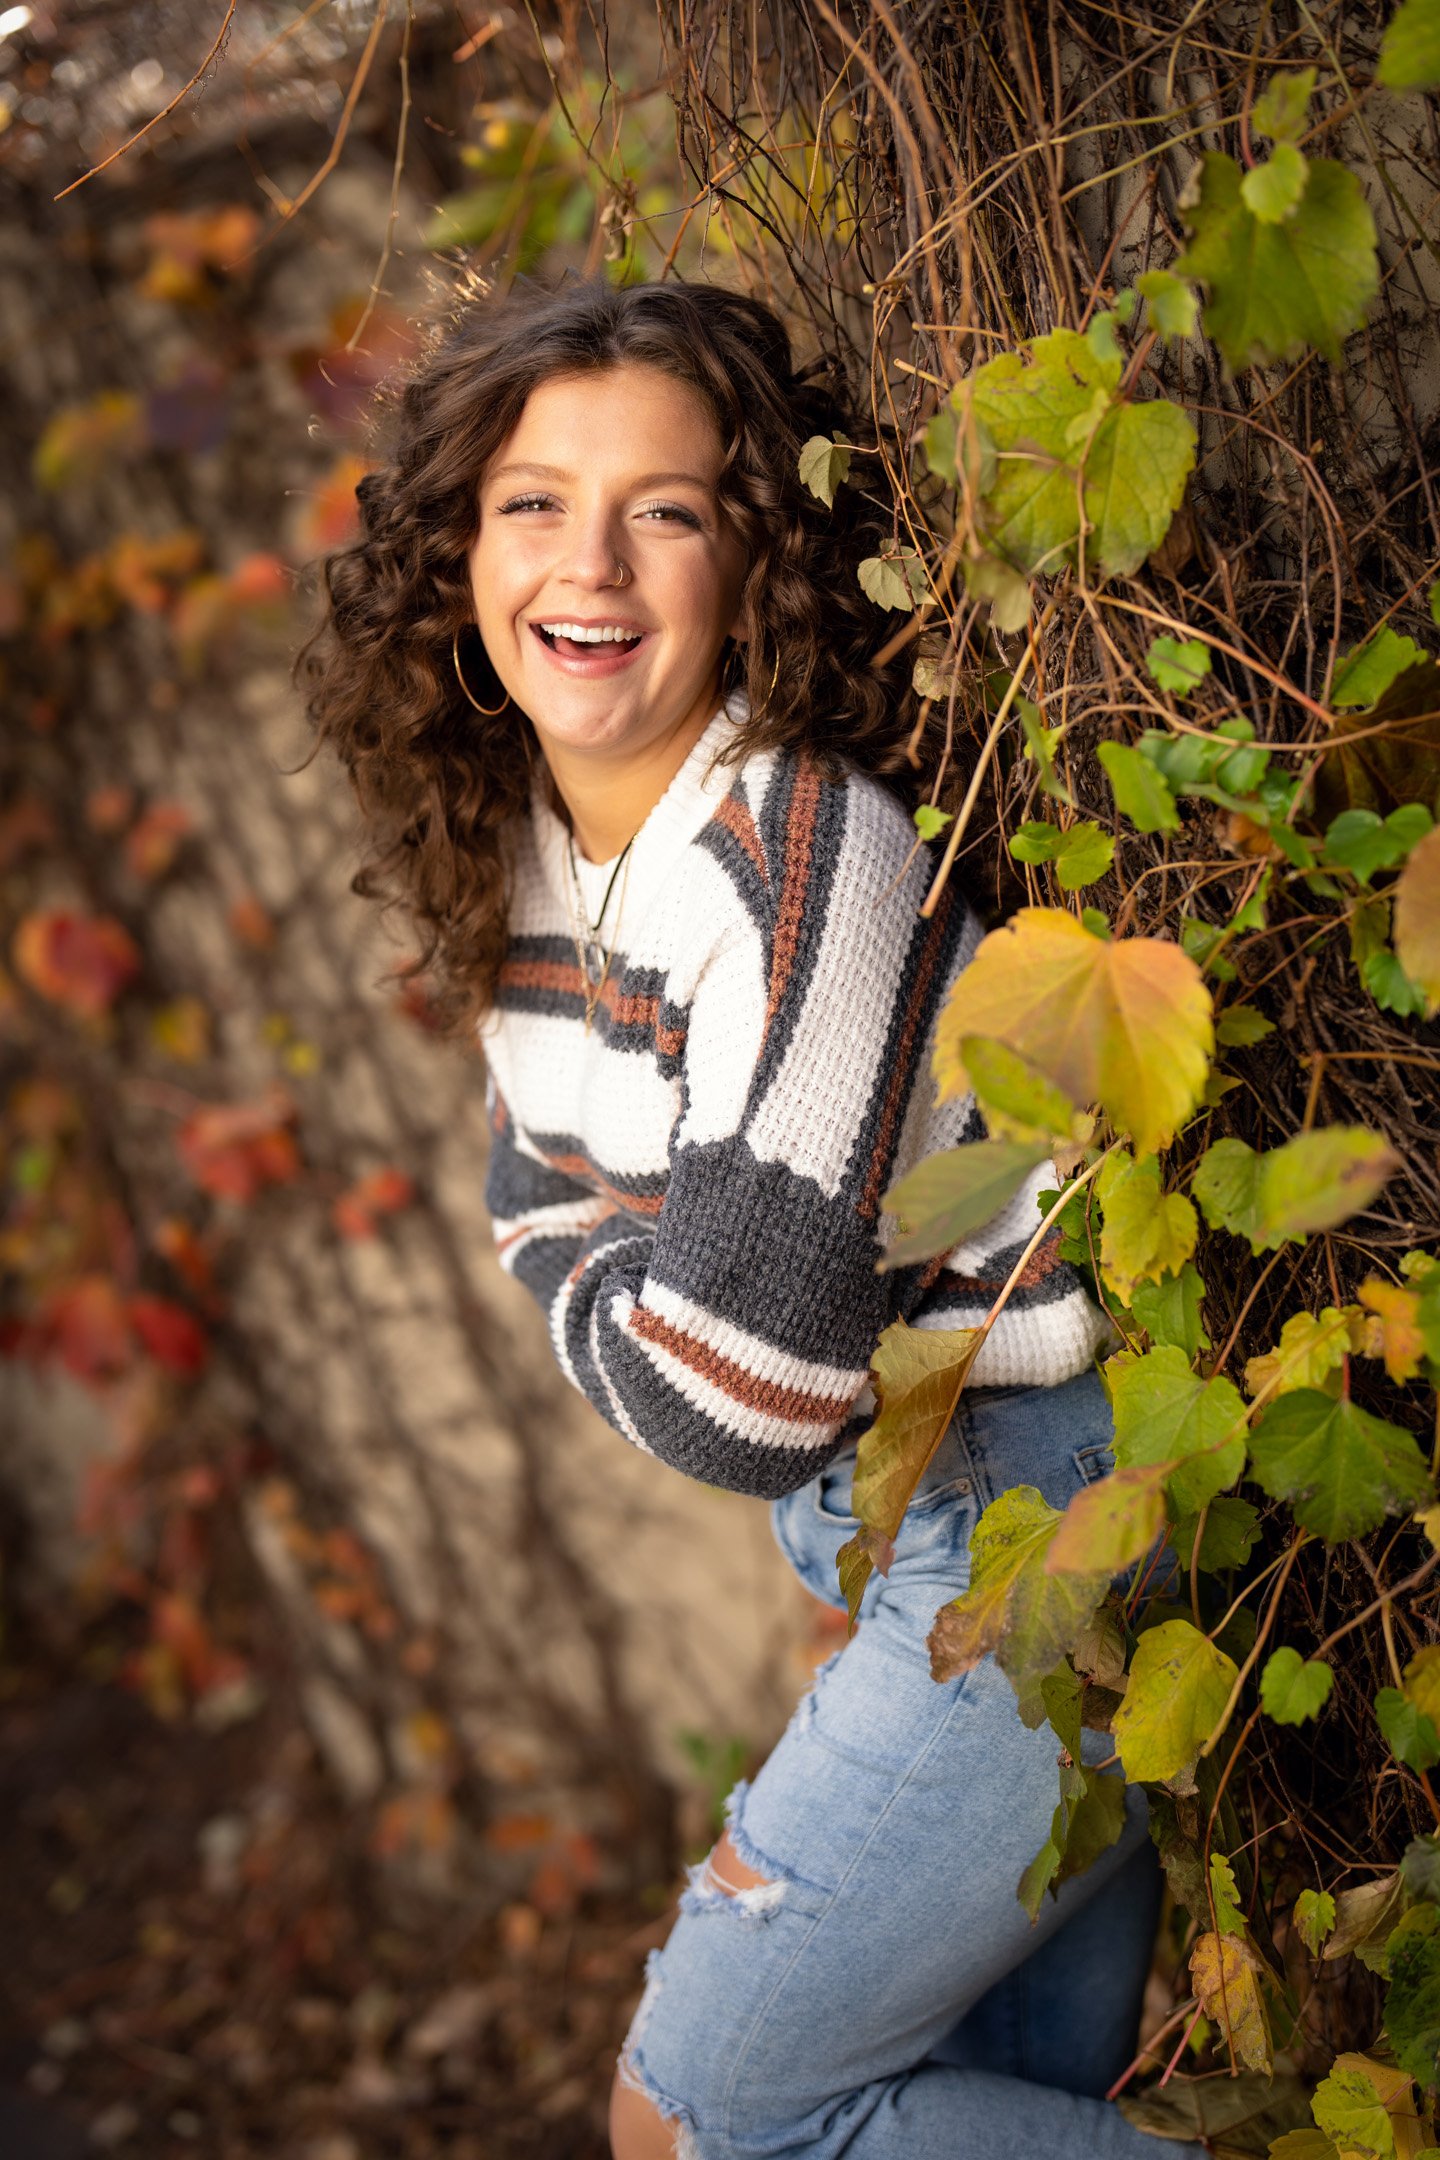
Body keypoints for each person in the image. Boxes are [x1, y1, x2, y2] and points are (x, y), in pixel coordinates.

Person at [298, 274, 1199, 2160]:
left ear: (753, 558)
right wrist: (623, 1274)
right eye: (534, 498)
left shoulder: (800, 855)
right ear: (462, 549)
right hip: (901, 1536)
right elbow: (529, 1190)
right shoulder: (528, 838)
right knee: (1003, 2097)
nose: (590, 559)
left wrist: (606, 1276)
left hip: (1042, 1524)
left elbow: (734, 1388)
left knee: (703, 2119)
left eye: (670, 510)